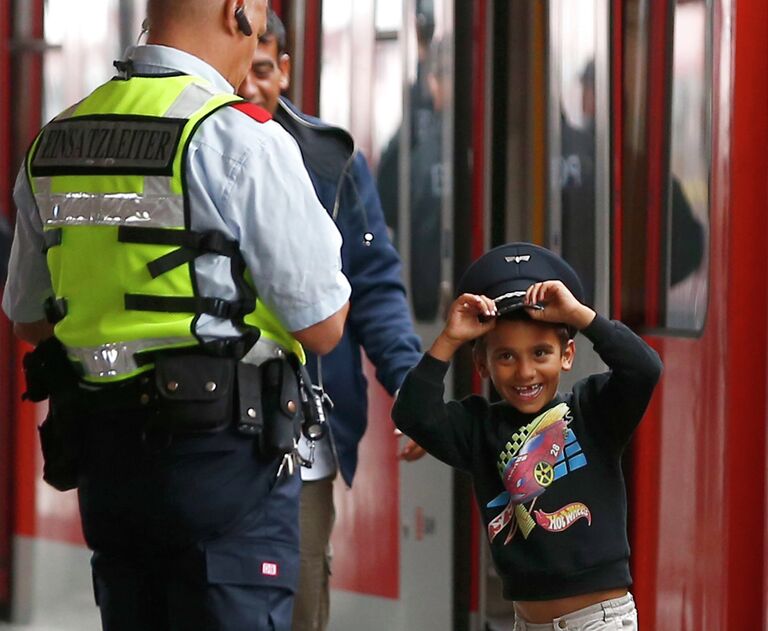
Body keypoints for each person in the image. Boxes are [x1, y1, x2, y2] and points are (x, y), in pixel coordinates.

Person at [2, 1, 351, 629]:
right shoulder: (239, 138)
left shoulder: (56, 137)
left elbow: (29, 318)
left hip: (106, 467)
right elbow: (322, 323)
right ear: (237, 12)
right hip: (224, 468)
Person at [238, 11, 423, 631]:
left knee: (299, 596)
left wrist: (409, 383)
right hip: (206, 421)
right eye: (240, 70)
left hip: (303, 431)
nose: (249, 87)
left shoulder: (332, 159)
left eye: (263, 71)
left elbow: (373, 283)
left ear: (284, 70)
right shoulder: (199, 144)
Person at [392, 242, 663, 629]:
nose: (525, 373)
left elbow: (644, 369)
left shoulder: (593, 412)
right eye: (506, 357)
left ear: (567, 354)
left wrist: (581, 317)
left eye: (540, 353)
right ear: (482, 364)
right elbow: (413, 413)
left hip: (597, 622)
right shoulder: (479, 429)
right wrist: (450, 338)